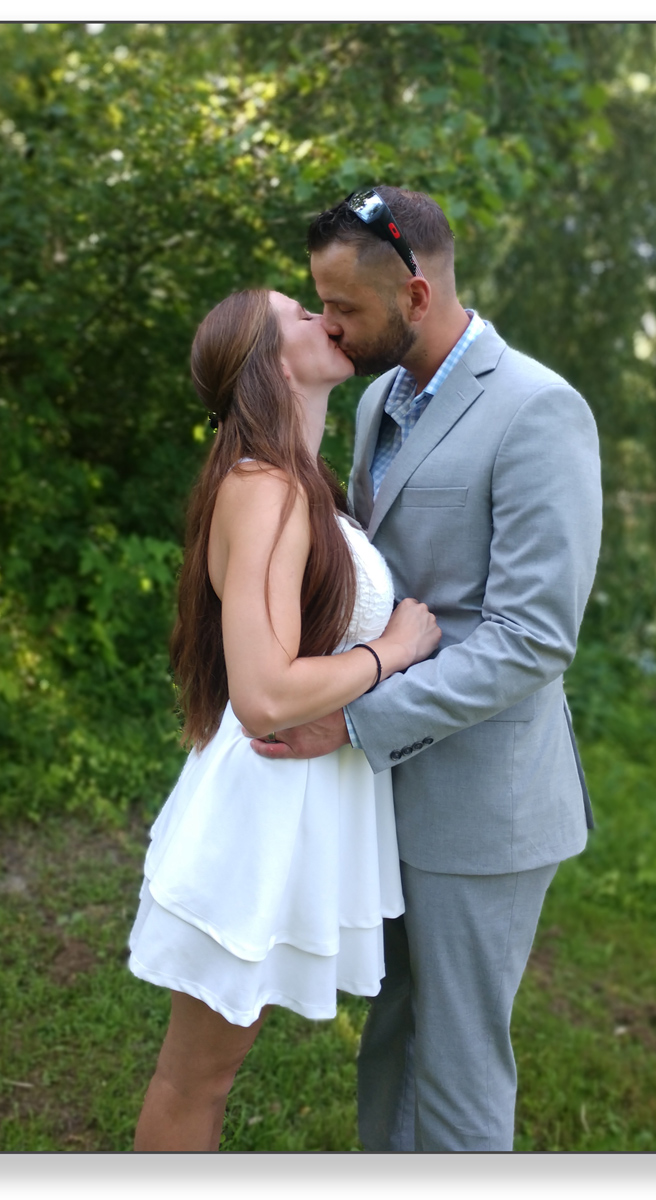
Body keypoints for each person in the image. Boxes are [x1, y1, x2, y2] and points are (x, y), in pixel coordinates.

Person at [251, 187, 603, 1151]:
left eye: (344, 309)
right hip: (387, 792)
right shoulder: (376, 398)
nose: (328, 325)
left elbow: (531, 639)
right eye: (318, 304)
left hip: (482, 805)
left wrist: (356, 719)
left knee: (456, 1068)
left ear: (414, 294)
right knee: (392, 1041)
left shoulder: (538, 409)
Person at [127, 287, 441, 1152]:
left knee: (209, 1075)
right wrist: (395, 650)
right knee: (196, 1079)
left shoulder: (296, 484)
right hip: (260, 812)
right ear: (267, 361)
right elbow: (263, 694)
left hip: (294, 807)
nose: (323, 317)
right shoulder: (263, 488)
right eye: (298, 314)